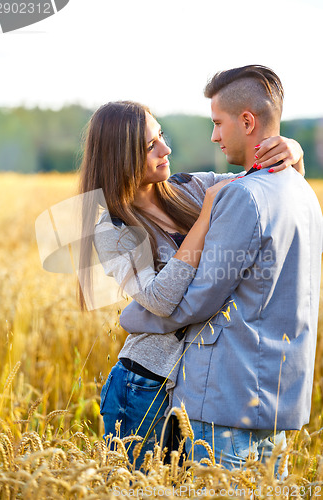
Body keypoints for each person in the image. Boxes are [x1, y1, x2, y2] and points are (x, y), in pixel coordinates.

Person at [78, 99, 305, 465]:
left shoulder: (193, 187)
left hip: (202, 386)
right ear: (120, 157)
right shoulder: (112, 230)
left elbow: (265, 188)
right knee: (141, 491)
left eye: (161, 136)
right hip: (144, 386)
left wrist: (292, 152)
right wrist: (203, 221)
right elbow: (159, 298)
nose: (166, 149)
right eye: (149, 146)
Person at [120, 66, 323, 471]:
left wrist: (136, 317)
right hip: (279, 396)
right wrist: (293, 154)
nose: (213, 136)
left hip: (225, 397)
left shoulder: (234, 196)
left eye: (217, 123)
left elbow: (199, 299)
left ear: (246, 121)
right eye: (151, 144)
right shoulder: (304, 191)